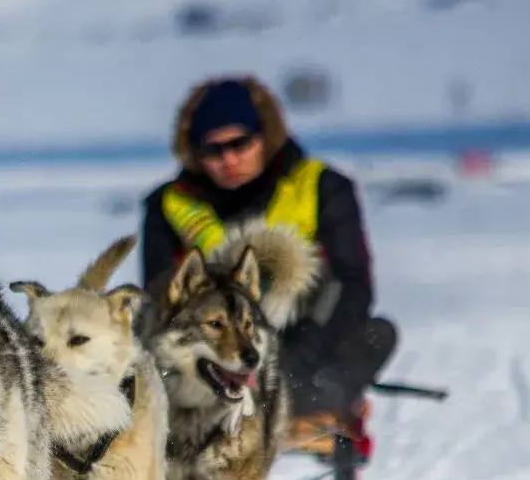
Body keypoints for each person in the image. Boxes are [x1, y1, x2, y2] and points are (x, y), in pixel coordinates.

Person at [141, 76, 396, 451]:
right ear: (195, 153)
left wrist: (293, 362)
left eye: (240, 144)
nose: (229, 159)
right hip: (212, 353)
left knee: (375, 332)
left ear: (265, 136)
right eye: (213, 150)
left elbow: (354, 283)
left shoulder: (322, 187)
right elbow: (159, 298)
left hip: (307, 339)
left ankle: (306, 410)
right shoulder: (169, 205)